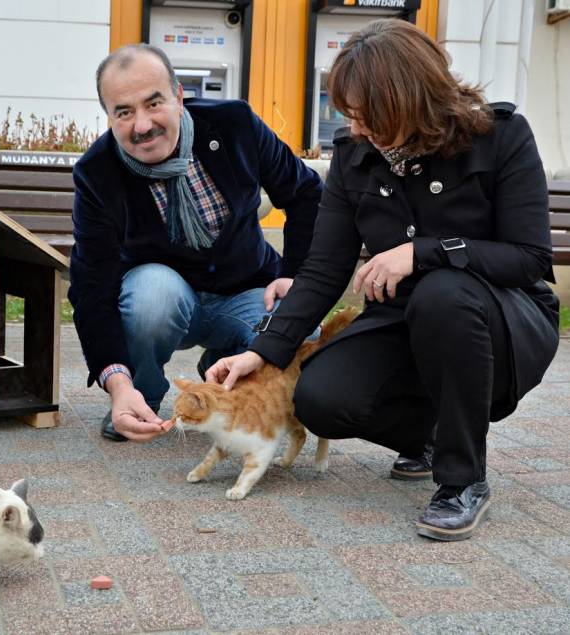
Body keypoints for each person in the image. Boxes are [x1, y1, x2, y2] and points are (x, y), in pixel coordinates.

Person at [207, 19, 559, 542]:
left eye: (368, 115)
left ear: (411, 100)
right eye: (349, 114)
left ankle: (462, 481)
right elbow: (325, 269)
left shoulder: (500, 137)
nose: (356, 128)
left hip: (501, 319)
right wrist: (262, 351)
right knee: (321, 400)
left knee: (444, 293)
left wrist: (423, 252)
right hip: (403, 316)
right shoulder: (355, 158)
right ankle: (430, 434)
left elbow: (529, 259)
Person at [68, 44, 323, 442]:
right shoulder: (97, 173)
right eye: (124, 112)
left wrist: (294, 274)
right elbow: (90, 286)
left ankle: (224, 365)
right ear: (109, 117)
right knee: (152, 291)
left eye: (154, 103)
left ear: (179, 96)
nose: (141, 125)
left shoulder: (234, 124)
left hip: (246, 289)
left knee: (303, 330)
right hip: (165, 303)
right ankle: (143, 398)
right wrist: (118, 385)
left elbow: (307, 194)